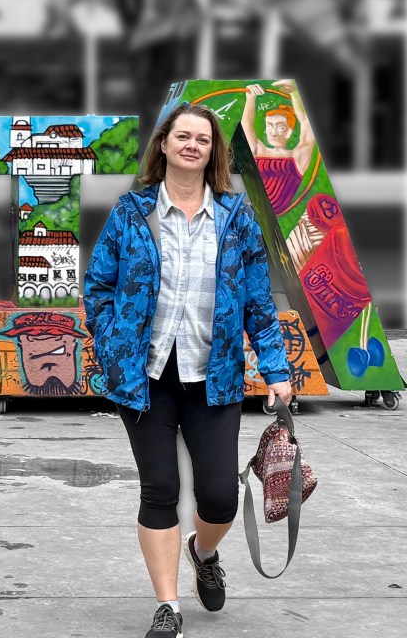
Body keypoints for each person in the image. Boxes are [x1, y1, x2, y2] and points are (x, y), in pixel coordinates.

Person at [83, 103, 294, 638]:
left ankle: (204, 552)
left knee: (219, 496)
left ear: (212, 151)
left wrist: (276, 370)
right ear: (163, 144)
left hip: (214, 375)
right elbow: (99, 285)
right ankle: (167, 605)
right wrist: (111, 345)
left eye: (203, 138)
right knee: (159, 488)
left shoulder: (235, 217)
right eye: (183, 135)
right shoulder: (131, 213)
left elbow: (258, 305)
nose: (192, 144)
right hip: (145, 376)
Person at [241, 79, 315, 216]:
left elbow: (306, 123)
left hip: (270, 217)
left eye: (280, 127)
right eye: (270, 125)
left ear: (289, 132)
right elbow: (246, 124)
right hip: (246, 210)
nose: (273, 131)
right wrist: (250, 98)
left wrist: (294, 93)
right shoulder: (258, 150)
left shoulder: (297, 158)